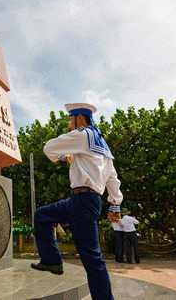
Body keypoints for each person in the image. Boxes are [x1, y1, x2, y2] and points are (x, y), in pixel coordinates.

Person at [31, 103, 123, 300]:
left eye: (70, 119)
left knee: (91, 257)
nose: (69, 124)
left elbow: (49, 147)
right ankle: (52, 260)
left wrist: (64, 156)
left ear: (79, 118)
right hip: (85, 200)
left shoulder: (82, 135)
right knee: (42, 215)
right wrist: (115, 205)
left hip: (82, 200)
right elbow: (112, 178)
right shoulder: (102, 144)